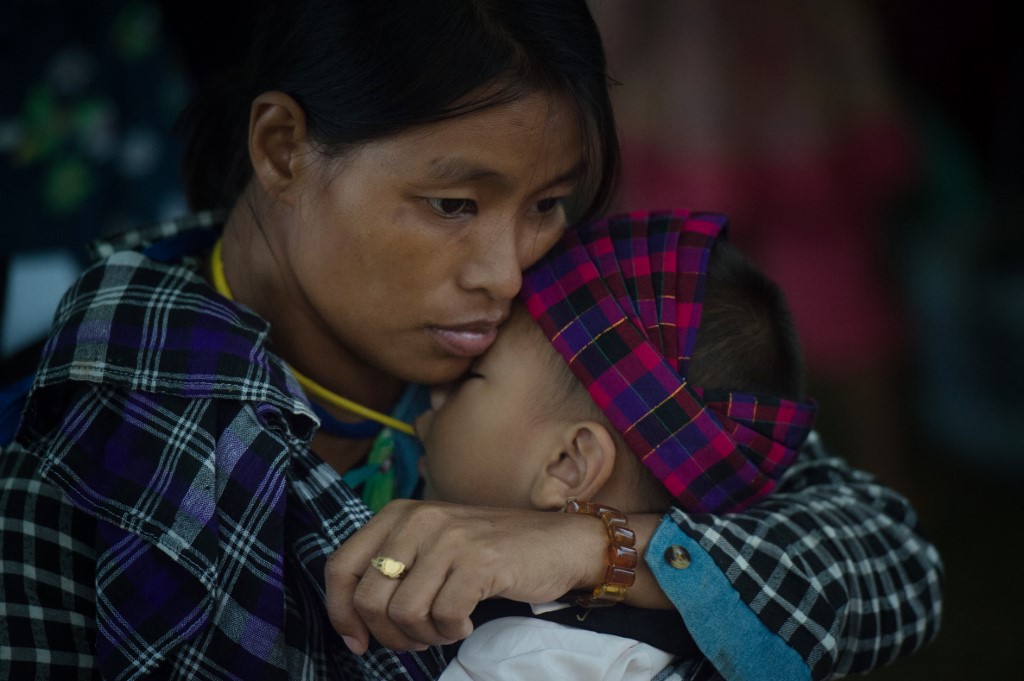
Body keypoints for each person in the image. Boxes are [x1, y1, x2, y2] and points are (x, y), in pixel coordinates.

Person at [0, 1, 940, 680]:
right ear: (284, 147)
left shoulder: (548, 318)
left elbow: (890, 560)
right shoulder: (164, 419)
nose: (506, 271)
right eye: (452, 204)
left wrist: (592, 549)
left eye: (547, 203)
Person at [417, 210, 818, 679]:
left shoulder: (524, 662)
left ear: (568, 464)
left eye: (473, 375)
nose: (435, 387)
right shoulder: (694, 621)